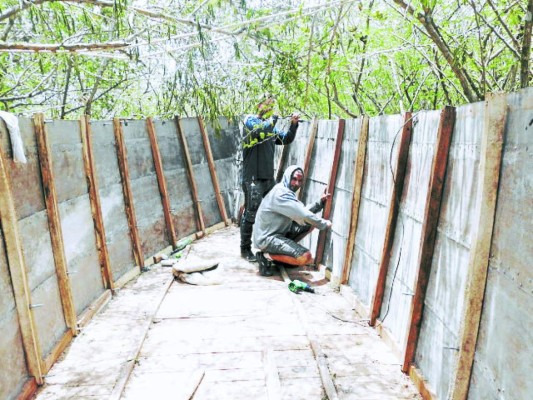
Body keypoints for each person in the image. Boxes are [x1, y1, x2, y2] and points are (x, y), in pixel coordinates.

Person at [240, 95, 300, 262]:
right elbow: (260, 131)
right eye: (267, 105)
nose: (270, 108)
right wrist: (273, 119)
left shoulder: (270, 129)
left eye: (272, 106)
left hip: (268, 178)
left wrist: (293, 125)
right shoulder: (250, 121)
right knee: (251, 214)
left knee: (271, 212)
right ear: (259, 105)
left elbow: (286, 138)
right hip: (253, 178)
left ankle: (267, 245)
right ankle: (245, 249)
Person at [252, 165, 332, 276]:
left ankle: (281, 258)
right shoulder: (281, 194)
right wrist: (324, 224)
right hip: (267, 238)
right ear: (287, 177)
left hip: (276, 234)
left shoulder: (284, 190)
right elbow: (303, 215)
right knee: (305, 257)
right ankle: (265, 256)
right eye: (294, 179)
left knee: (309, 224)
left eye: (300, 180)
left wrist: (320, 202)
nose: (297, 184)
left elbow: (301, 211)